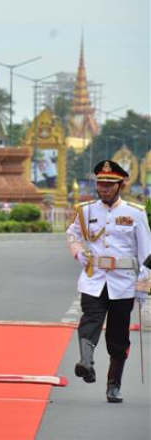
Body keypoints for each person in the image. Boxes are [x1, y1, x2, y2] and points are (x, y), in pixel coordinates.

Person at [66, 160, 150, 403]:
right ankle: (86, 361)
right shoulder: (86, 210)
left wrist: (143, 288)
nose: (103, 189)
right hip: (94, 279)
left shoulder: (135, 213)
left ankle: (114, 384)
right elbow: (73, 234)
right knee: (89, 320)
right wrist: (78, 251)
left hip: (123, 283)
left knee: (118, 337)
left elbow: (147, 253)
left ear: (121, 184)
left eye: (109, 185)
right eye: (100, 184)